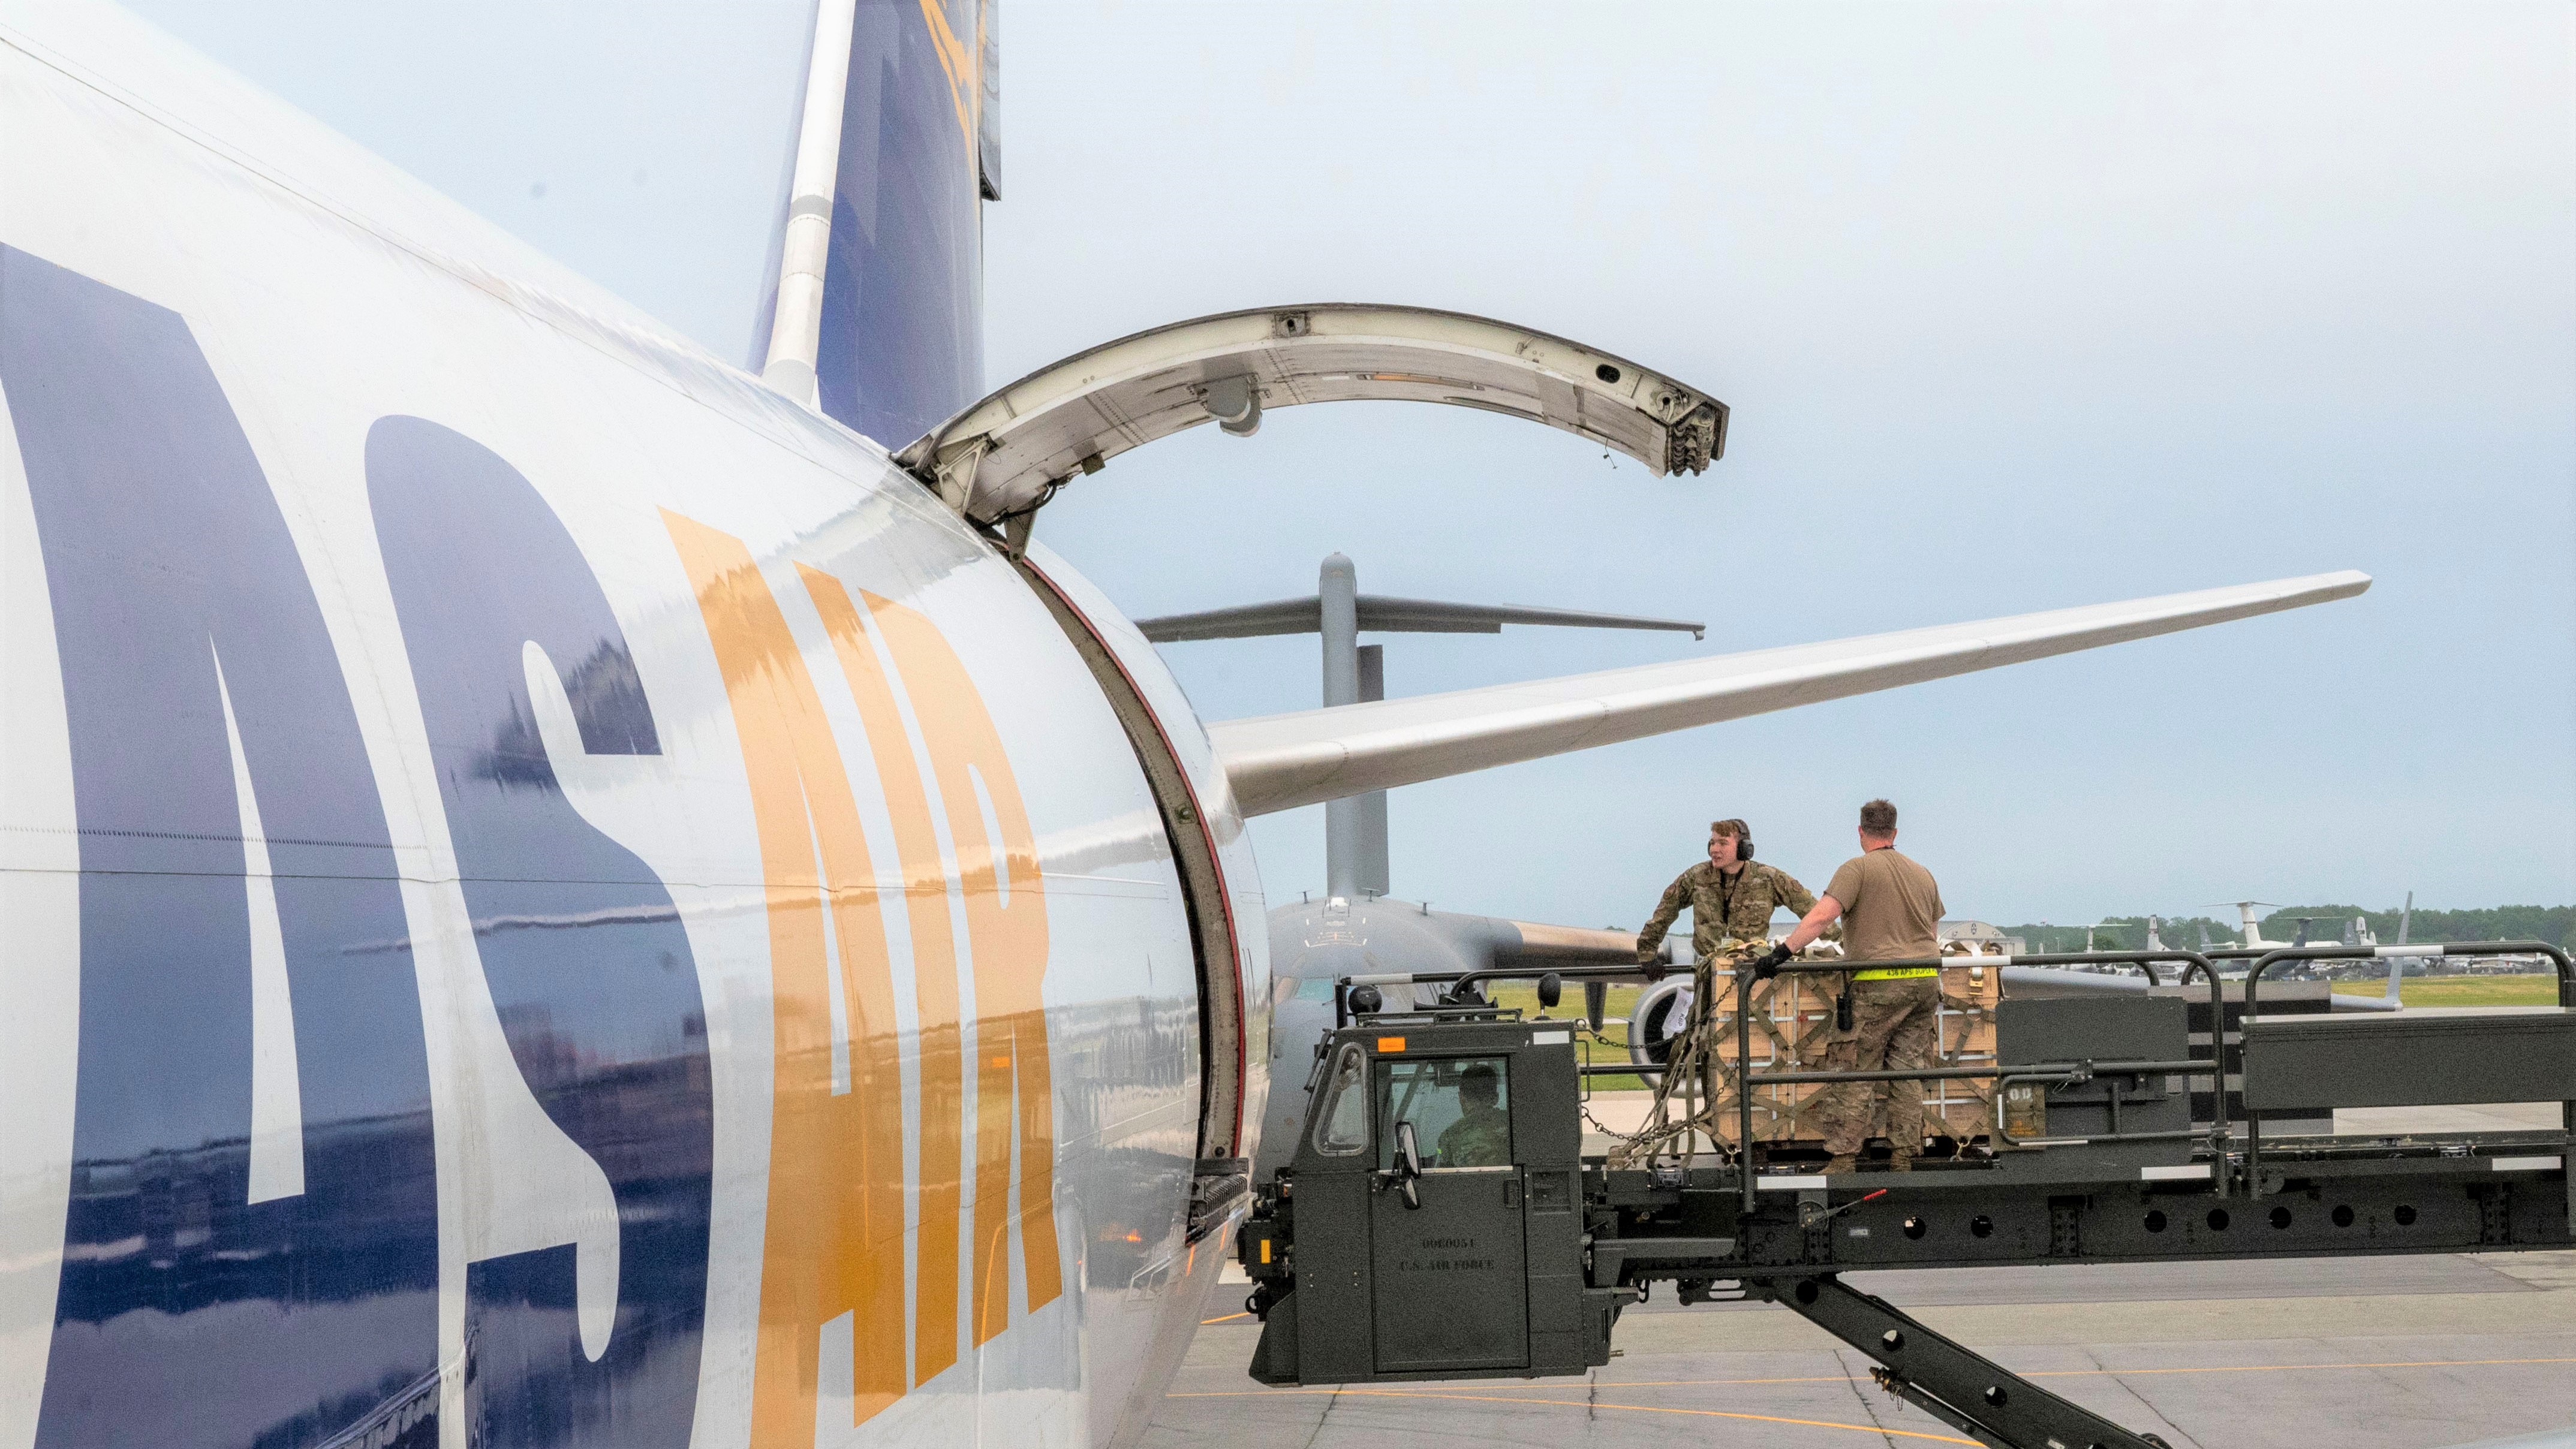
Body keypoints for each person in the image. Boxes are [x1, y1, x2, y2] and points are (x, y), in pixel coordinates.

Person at [1759, 799, 1945, 1174]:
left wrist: (1781, 953)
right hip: (1925, 983)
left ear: (1860, 832)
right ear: (1895, 833)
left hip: (1878, 985)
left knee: (1855, 1068)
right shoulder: (1923, 874)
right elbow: (1932, 931)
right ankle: (1903, 1157)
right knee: (1906, 1071)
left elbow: (1821, 917)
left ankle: (1844, 1158)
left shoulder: (1856, 869)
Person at [1634, 818, 1819, 984]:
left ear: (1743, 848)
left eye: (1723, 843)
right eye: (1712, 843)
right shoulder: (1696, 877)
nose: (1714, 849)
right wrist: (1647, 954)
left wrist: (1841, 950)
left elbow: (1815, 913)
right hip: (1708, 973)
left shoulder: (1769, 879)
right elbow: (1664, 913)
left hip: (1752, 974)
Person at [1437, 1064, 1511, 1167]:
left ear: (1461, 1098)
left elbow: (1442, 1175)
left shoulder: (1448, 1137)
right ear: (1496, 1098)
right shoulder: (1514, 1124)